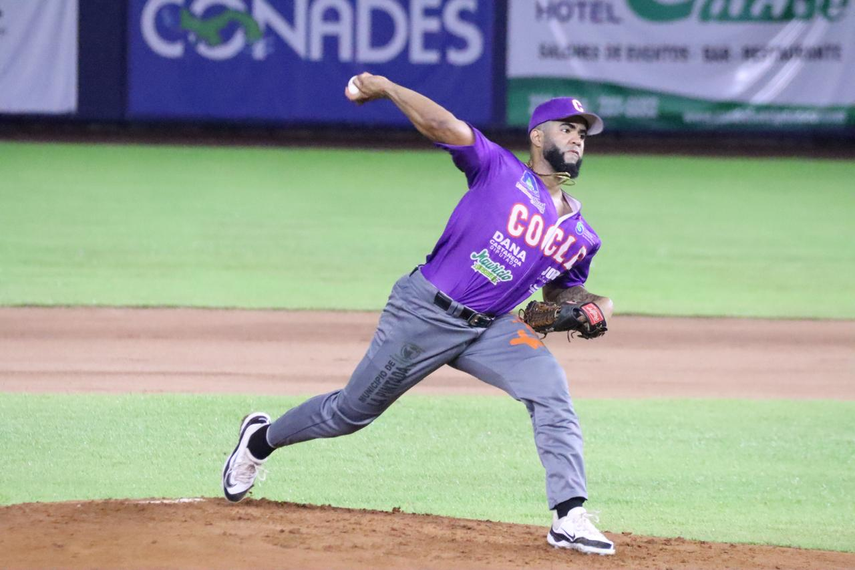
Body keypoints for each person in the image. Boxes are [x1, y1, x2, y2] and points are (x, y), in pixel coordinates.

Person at [221, 73, 616, 556]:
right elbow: (443, 124)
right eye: (566, 127)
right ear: (538, 136)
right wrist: (386, 87)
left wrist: (591, 307)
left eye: (582, 132)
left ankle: (569, 515)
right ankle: (259, 441)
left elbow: (563, 289)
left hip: (493, 328)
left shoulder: (582, 233)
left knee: (551, 390)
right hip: (426, 312)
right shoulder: (498, 169)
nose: (577, 137)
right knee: (350, 413)